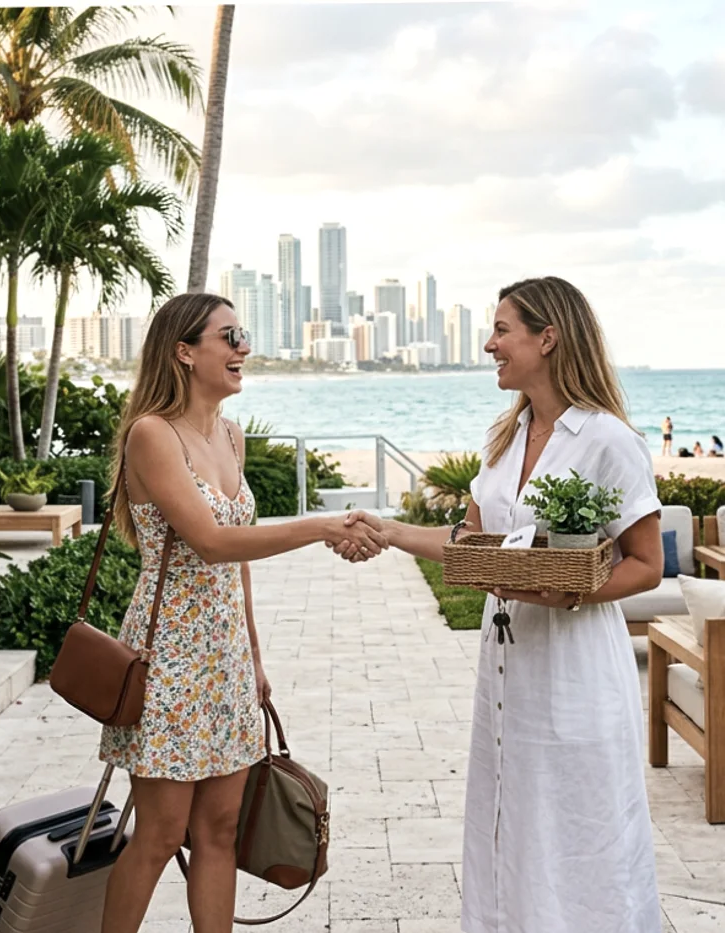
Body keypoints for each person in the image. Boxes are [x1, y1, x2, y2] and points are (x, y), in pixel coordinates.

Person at [341, 276, 663, 932]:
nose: (489, 345)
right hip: (506, 671)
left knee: (580, 825)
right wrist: (389, 531)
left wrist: (568, 590)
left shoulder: (607, 440)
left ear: (548, 338)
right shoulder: (506, 438)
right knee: (510, 823)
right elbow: (470, 542)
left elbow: (647, 564)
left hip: (575, 668)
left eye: (501, 331)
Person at [97, 292, 388, 933]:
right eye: (229, 337)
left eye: (243, 334)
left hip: (224, 655)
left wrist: (253, 655)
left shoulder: (231, 435)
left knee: (220, 830)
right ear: (184, 352)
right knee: (160, 834)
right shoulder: (152, 434)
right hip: (170, 655)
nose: (244, 348)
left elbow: (239, 562)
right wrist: (319, 527)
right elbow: (212, 541)